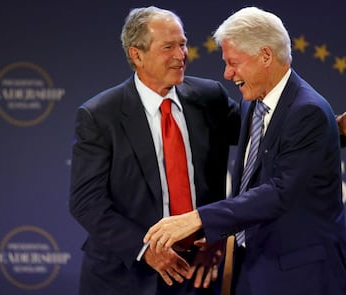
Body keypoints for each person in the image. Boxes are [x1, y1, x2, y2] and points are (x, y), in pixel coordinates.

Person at [144, 7, 346, 295]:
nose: (227, 73)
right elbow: (260, 172)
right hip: (254, 271)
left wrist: (198, 218)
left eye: (234, 62)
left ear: (265, 56)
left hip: (304, 279)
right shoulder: (253, 103)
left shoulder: (307, 111)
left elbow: (279, 193)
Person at [69, 6, 240, 295]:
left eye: (183, 44)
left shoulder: (210, 98)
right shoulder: (100, 115)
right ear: (137, 55)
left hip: (197, 272)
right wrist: (146, 248)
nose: (180, 55)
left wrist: (329, 127)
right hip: (125, 275)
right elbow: (86, 201)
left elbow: (261, 138)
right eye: (168, 47)